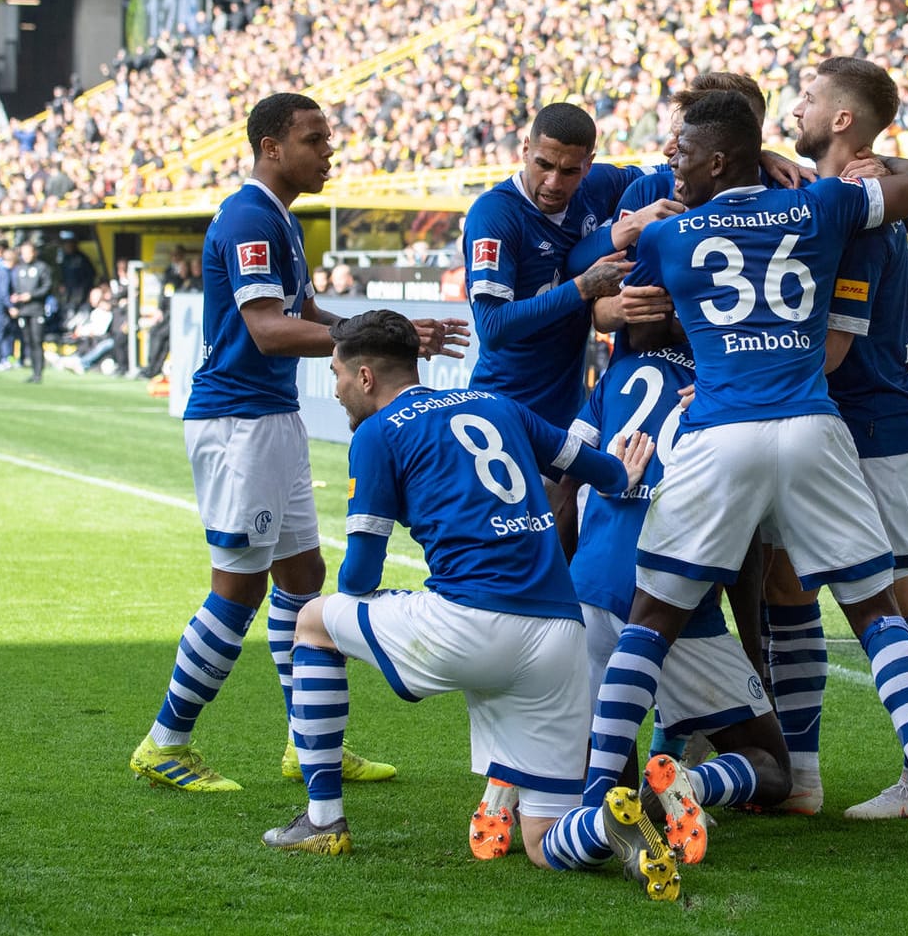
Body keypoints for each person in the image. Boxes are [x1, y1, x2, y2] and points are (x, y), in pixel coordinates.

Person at [590, 90, 908, 851]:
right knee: (875, 609)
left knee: (652, 618)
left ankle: (600, 793)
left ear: (716, 159)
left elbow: (621, 306)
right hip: (813, 423)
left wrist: (638, 227)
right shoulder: (822, 206)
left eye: (681, 150)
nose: (671, 160)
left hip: (721, 430)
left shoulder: (673, 236)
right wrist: (849, 167)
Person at [268, 311, 683, 903]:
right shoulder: (495, 405)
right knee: (544, 841)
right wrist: (623, 469)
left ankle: (322, 819)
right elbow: (600, 472)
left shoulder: (378, 434)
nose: (333, 390)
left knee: (311, 624)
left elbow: (360, 575)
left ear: (364, 376)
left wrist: (393, 597)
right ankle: (606, 824)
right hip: (559, 635)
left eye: (335, 376)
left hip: (472, 626)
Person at [130, 92, 468, 792]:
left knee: (301, 578)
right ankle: (165, 740)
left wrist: (391, 329)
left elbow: (309, 313)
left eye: (328, 138)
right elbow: (267, 329)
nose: (328, 151)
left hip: (268, 415)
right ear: (270, 147)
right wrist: (380, 335)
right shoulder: (251, 216)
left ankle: (305, 742)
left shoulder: (280, 219)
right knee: (239, 585)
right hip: (237, 423)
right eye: (314, 139)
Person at [770, 55, 908, 820]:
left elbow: (834, 350)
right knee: (785, 585)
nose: (796, 108)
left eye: (808, 98)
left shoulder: (863, 216)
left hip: (871, 423)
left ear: (842, 120)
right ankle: (801, 775)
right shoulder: (858, 197)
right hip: (851, 424)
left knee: (891, 603)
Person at [567, 339, 791, 861]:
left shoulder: (620, 371)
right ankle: (687, 785)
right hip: (678, 604)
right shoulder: (735, 385)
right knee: (774, 768)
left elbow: (563, 484)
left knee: (606, 772)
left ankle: (522, 795)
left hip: (593, 587)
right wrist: (754, 656)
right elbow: (749, 546)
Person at [462, 103, 647, 432]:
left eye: (569, 171)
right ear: (525, 150)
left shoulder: (598, 186)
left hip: (565, 415)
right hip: (503, 412)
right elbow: (492, 328)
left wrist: (758, 158)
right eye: (543, 165)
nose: (553, 182)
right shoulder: (495, 215)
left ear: (588, 165)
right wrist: (583, 288)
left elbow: (672, 173)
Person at [8, 240, 55, 384]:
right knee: (28, 341)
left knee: (37, 340)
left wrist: (32, 295)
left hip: (36, 310)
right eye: (24, 253)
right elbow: (15, 288)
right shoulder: (19, 269)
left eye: (28, 252)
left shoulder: (42, 268)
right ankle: (33, 371)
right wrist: (15, 299)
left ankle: (38, 373)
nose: (26, 255)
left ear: (34, 252)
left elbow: (48, 287)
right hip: (23, 310)